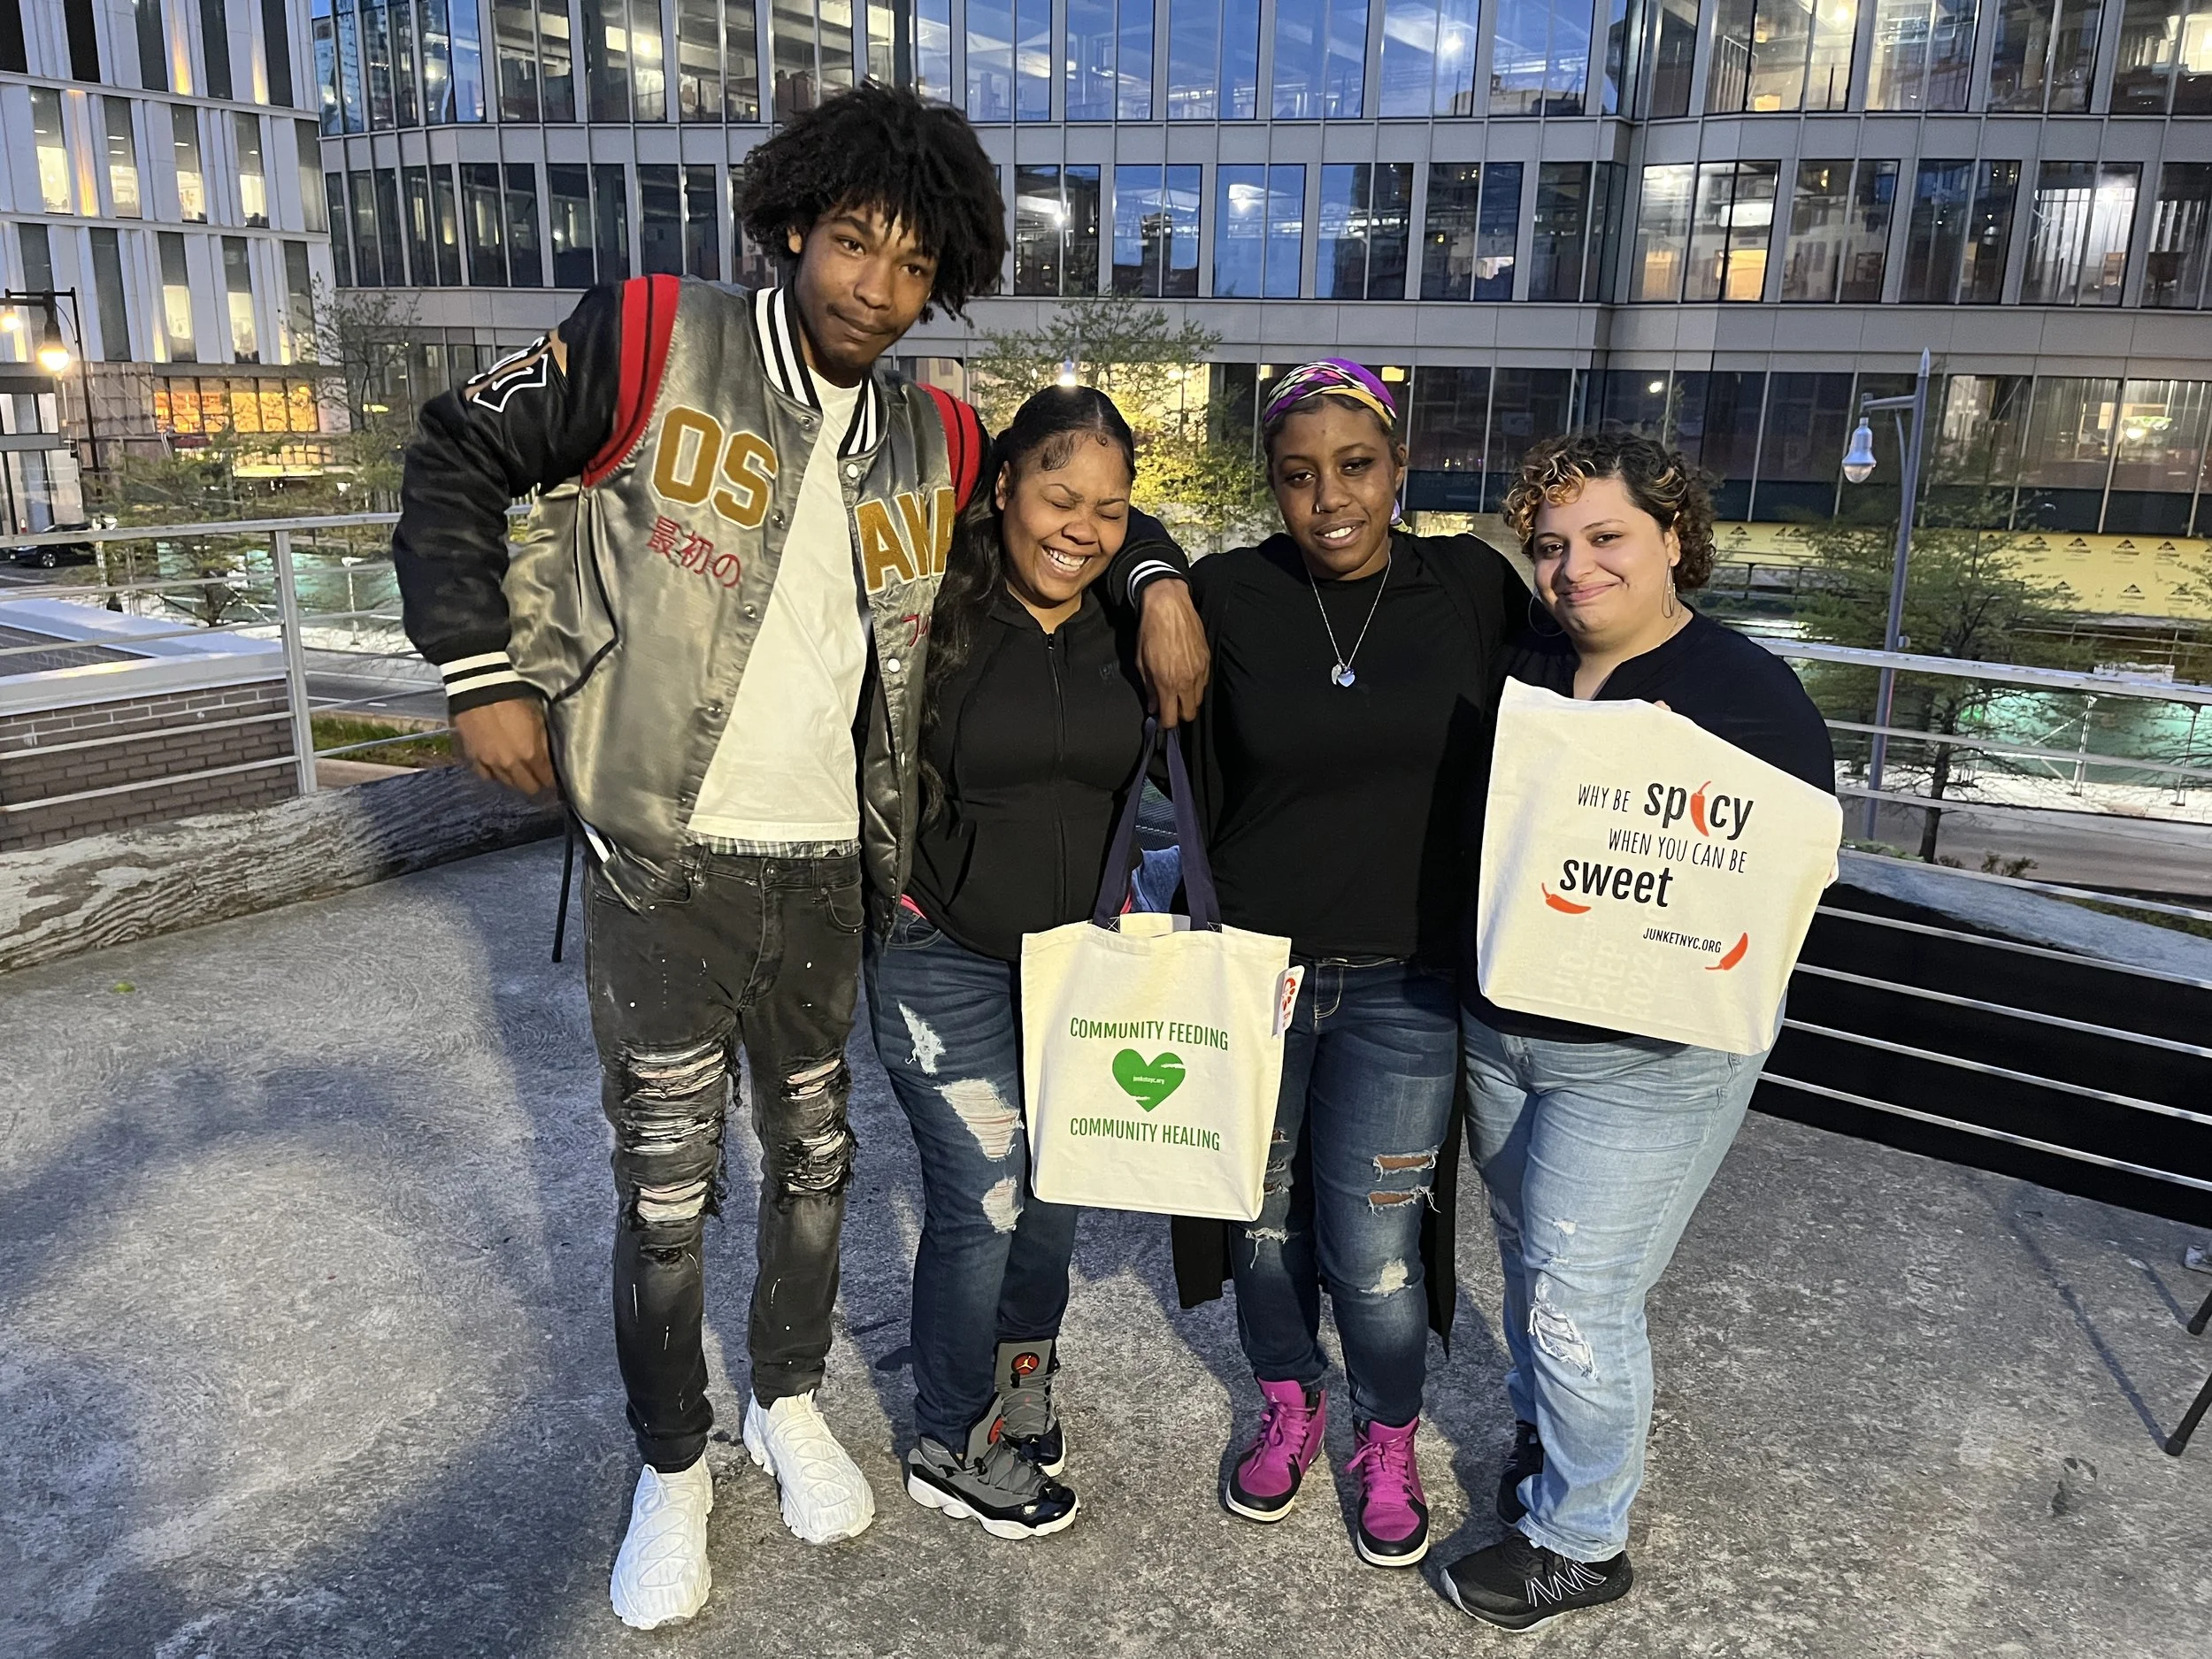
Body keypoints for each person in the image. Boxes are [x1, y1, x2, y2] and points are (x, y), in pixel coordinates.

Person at [392, 86, 1208, 1632]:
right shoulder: (650, 335)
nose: (873, 292)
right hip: (663, 857)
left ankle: (783, 1398)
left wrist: (1157, 566)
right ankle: (673, 1462)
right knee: (663, 1192)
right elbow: (454, 449)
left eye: (911, 267)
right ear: (790, 226)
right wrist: (478, 671)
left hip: (833, 864)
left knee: (818, 1167)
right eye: (850, 245)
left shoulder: (936, 429)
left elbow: (1078, 496)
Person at [1437, 430, 1835, 1632]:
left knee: (1577, 1294)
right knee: (1529, 1263)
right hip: (1505, 1028)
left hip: (1651, 1059)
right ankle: (1550, 1438)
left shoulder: (1745, 694)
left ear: (1674, 538)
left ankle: (1581, 1538)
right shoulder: (1523, 665)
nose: (1573, 568)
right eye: (1551, 546)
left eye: (1606, 537)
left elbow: (1784, 885)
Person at [1173, 360, 1526, 1568]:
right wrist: (1157, 579)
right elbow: (1114, 559)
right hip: (1252, 971)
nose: (1329, 497)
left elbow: (1591, 682)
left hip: (1405, 981)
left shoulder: (1469, 587)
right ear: (1272, 486)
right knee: (1259, 1222)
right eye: (1298, 475)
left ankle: (1387, 1430)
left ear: (1399, 466)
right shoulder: (1229, 591)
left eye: (1355, 466)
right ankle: (1290, 1396)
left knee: (1373, 1248)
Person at [867, 384, 1189, 1539]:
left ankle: (1016, 1382)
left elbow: (1142, 544)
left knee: (1051, 1203)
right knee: (987, 1197)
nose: (1082, 527)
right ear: (1003, 485)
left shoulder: (1122, 603)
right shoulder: (931, 598)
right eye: (1059, 495)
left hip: (1078, 967)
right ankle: (948, 1435)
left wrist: (1155, 576)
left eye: (1110, 509)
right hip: (938, 948)